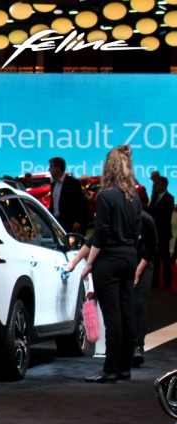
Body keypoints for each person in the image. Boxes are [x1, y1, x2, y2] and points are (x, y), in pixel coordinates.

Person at [78, 145, 142, 383]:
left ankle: (110, 369)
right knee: (127, 315)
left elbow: (101, 234)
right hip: (129, 257)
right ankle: (125, 368)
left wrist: (88, 264)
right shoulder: (134, 197)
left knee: (112, 317)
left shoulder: (106, 196)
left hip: (110, 260)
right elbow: (137, 231)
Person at [132, 208, 157, 367]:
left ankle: (137, 346)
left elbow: (150, 249)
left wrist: (138, 272)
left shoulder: (146, 220)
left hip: (143, 263)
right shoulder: (117, 216)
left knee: (139, 304)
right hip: (122, 262)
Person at [145, 174, 174, 289]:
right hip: (154, 233)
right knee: (155, 259)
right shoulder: (155, 196)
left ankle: (167, 283)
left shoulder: (170, 198)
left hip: (164, 233)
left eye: (158, 184)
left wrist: (154, 217)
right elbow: (151, 209)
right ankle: (155, 282)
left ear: (165, 185)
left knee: (165, 259)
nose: (156, 186)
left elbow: (165, 215)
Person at [48, 157, 88, 234]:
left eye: (51, 167)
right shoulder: (53, 184)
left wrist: (78, 221)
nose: (49, 169)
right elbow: (53, 204)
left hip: (69, 224)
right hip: (57, 222)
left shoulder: (72, 183)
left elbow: (80, 203)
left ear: (58, 167)